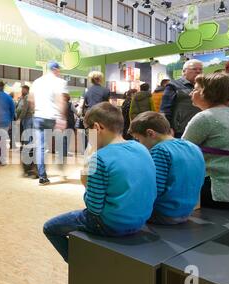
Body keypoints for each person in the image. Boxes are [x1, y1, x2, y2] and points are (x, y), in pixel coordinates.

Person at [43, 102, 157, 262]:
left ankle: (79, 265)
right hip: (141, 219)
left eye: (87, 131)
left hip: (112, 224)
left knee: (50, 228)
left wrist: (86, 182)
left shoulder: (99, 158)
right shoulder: (141, 148)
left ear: (97, 127)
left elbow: (94, 208)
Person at [183, 73, 229, 209]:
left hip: (216, 193)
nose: (191, 93)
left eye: (195, 89)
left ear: (206, 93)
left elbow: (182, 152)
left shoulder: (205, 117)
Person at [129, 111, 205, 225]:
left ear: (150, 133)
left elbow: (154, 189)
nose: (140, 144)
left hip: (163, 214)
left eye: (138, 139)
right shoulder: (192, 147)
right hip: (187, 211)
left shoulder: (160, 151)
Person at [28, 61, 68, 185]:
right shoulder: (59, 82)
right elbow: (60, 100)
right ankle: (61, 169)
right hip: (53, 117)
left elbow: (31, 100)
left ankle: (42, 176)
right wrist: (61, 117)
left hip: (38, 116)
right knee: (62, 141)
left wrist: (36, 111)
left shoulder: (37, 81)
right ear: (56, 70)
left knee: (41, 146)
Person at [160, 59, 203, 138]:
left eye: (200, 69)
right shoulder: (173, 86)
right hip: (180, 131)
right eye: (194, 69)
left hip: (200, 128)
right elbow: (164, 110)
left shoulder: (203, 86)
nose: (198, 71)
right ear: (184, 71)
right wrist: (167, 129)